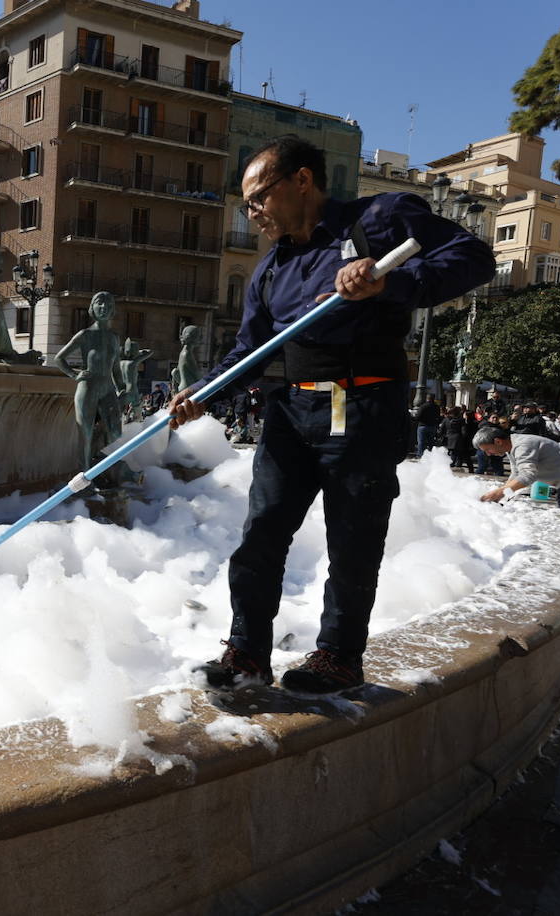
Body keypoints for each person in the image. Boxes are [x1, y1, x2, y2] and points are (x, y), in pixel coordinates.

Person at [166, 135, 495, 694]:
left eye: (258, 197)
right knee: (260, 534)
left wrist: (390, 282)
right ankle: (246, 652)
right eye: (246, 205)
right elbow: (250, 349)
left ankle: (338, 657)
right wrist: (205, 390)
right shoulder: (271, 267)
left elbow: (474, 258)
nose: (253, 213)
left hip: (360, 402)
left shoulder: (381, 218)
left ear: (301, 181)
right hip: (291, 408)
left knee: (352, 539)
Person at [51, 291, 123, 470]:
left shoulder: (114, 337)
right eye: (99, 303)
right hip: (88, 387)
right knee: (85, 435)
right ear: (92, 307)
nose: (104, 307)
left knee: (115, 431)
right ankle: (84, 478)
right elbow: (59, 358)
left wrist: (123, 387)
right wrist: (74, 374)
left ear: (113, 309)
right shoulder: (85, 335)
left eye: (108, 304)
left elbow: (116, 368)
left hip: (108, 388)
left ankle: (95, 459)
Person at [475, 426, 560, 525]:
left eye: (488, 449)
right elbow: (516, 474)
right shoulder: (512, 447)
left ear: (498, 441)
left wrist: (500, 492)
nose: (488, 454)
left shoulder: (523, 445)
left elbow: (528, 475)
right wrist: (504, 495)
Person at [441, 406, 475, 472]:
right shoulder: (461, 420)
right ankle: (456, 469)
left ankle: (450, 469)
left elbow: (441, 429)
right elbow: (464, 432)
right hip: (458, 440)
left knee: (452, 455)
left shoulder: (446, 419)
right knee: (458, 455)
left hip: (449, 439)